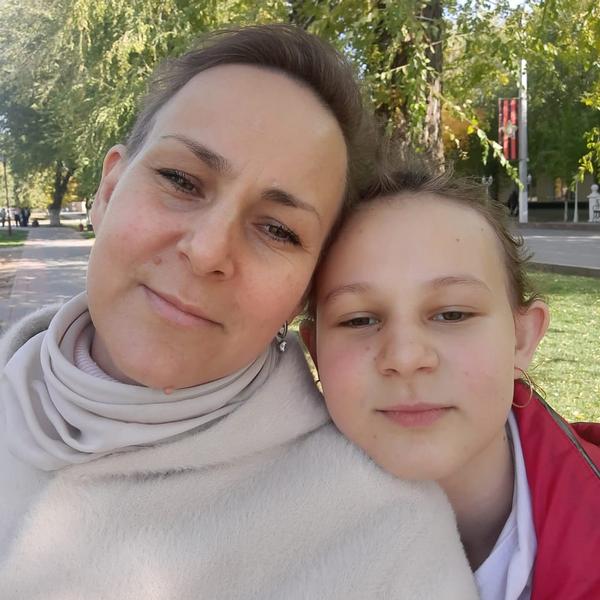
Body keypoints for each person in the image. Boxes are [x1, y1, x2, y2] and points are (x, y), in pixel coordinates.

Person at [0, 26, 477, 599]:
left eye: (277, 230)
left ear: (304, 292)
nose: (207, 252)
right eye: (180, 180)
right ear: (108, 191)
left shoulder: (388, 539)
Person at [302, 163, 600, 600]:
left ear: (521, 338)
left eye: (452, 314)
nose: (405, 358)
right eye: (359, 319)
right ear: (315, 352)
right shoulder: (254, 553)